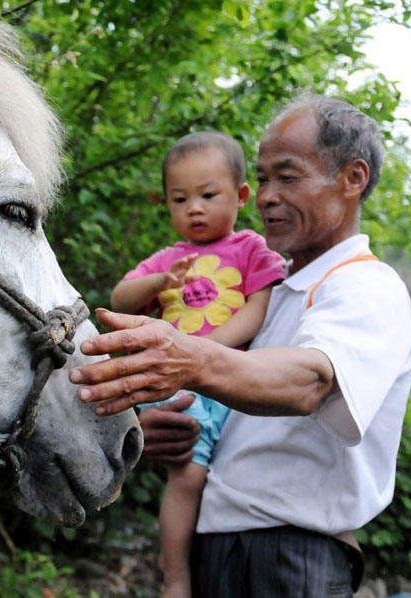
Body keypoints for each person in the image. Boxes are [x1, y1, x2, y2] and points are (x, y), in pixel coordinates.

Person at [69, 94, 411, 597]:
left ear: (353, 178)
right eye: (265, 178)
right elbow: (235, 408)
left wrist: (189, 358)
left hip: (291, 557)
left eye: (288, 176)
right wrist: (170, 427)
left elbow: (310, 380)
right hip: (218, 544)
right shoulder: (273, 293)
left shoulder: (364, 286)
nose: (268, 196)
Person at [109, 131, 285, 598]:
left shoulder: (250, 247)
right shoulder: (169, 258)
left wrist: (207, 353)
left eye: (209, 195)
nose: (194, 208)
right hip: (180, 384)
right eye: (180, 198)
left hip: (232, 377)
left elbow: (257, 308)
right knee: (187, 475)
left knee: (230, 473)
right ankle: (176, 578)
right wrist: (157, 282)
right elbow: (119, 298)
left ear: (241, 196)